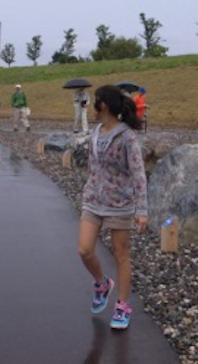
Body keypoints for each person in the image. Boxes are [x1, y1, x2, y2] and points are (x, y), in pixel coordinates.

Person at [77, 85, 147, 330]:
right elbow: (93, 166)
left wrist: (141, 210)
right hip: (93, 200)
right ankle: (102, 283)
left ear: (103, 106)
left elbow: (138, 174)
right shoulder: (95, 132)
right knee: (84, 250)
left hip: (120, 203)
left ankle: (122, 305)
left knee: (121, 254)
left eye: (95, 102)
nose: (92, 107)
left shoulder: (128, 137)